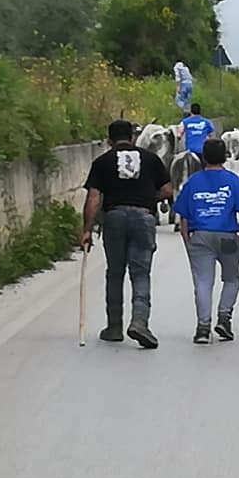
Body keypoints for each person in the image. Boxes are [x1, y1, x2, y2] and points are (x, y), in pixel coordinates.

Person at [80, 119, 172, 349]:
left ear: (109, 141)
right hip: (143, 218)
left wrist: (86, 230)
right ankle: (140, 322)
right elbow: (168, 190)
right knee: (140, 274)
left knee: (115, 273)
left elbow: (93, 199)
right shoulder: (151, 159)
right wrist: (149, 200)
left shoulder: (102, 162)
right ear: (132, 138)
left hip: (114, 217)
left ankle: (114, 327)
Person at [173, 138, 239, 344]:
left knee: (203, 282)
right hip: (228, 236)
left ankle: (203, 328)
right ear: (225, 156)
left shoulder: (192, 182)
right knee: (232, 279)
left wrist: (187, 241)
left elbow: (184, 217)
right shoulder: (234, 181)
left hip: (200, 236)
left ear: (204, 158)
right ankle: (224, 318)